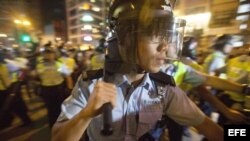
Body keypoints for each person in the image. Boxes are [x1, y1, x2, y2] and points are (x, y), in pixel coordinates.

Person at [52, 0, 223, 141]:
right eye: (154, 35)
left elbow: (208, 127)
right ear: (125, 39)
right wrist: (86, 115)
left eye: (167, 37)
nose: (165, 47)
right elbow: (57, 137)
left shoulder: (164, 89)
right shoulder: (91, 85)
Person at [35, 46, 73, 127]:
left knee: (60, 107)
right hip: (46, 89)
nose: (48, 55)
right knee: (50, 108)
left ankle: (61, 124)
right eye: (46, 53)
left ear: (54, 54)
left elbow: (68, 77)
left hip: (58, 89)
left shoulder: (59, 64)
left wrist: (70, 89)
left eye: (50, 53)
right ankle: (52, 125)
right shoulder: (40, 65)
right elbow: (36, 76)